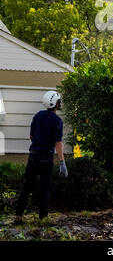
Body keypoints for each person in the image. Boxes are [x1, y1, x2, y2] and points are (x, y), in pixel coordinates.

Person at [15, 91, 68, 224]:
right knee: (45, 188)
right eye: (58, 101)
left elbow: (31, 136)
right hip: (46, 158)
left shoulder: (38, 116)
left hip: (33, 156)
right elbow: (58, 143)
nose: (59, 103)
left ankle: (18, 216)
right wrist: (62, 162)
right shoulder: (57, 121)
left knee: (26, 186)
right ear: (55, 104)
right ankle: (43, 218)